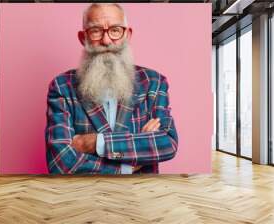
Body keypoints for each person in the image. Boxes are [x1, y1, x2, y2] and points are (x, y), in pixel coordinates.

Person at [45, 3, 178, 174]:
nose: (106, 40)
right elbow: (60, 162)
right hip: (82, 195)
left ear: (127, 35)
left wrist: (95, 143)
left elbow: (168, 144)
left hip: (140, 193)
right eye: (96, 31)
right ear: (82, 37)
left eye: (115, 30)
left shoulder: (154, 82)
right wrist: (127, 165)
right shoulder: (62, 86)